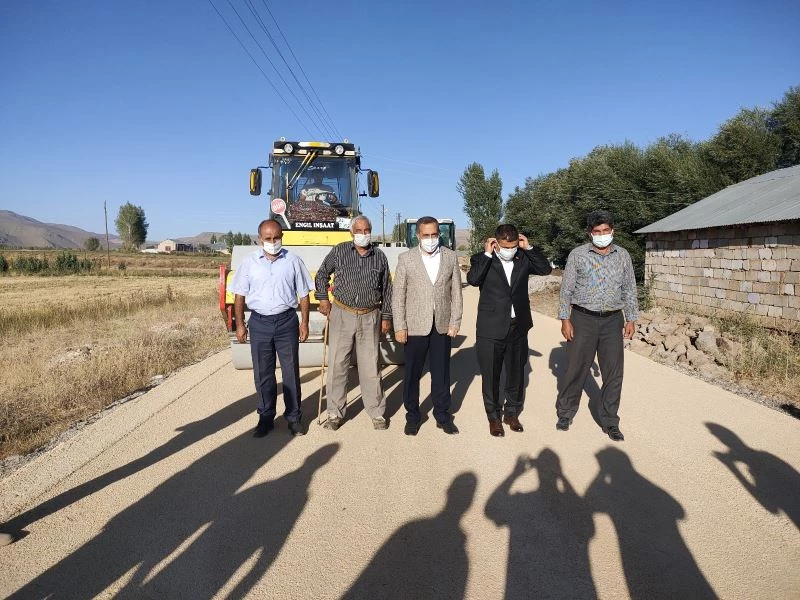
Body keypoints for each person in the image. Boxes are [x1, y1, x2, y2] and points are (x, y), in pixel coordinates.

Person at [556, 210, 638, 441]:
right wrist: (565, 319)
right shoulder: (578, 255)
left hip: (613, 320)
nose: (602, 235)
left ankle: (610, 421)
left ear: (613, 231)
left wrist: (631, 318)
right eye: (597, 231)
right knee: (576, 368)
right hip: (583, 319)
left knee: (614, 372)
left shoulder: (623, 256)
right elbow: (566, 290)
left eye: (605, 231)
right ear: (590, 233)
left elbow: (629, 288)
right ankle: (565, 412)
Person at [229, 219, 313, 437]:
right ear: (260, 239)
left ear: (282, 237)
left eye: (277, 237)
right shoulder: (249, 263)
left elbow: (304, 294)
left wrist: (304, 322)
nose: (273, 242)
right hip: (259, 323)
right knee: (263, 373)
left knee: (290, 372)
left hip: (287, 322)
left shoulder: (293, 260)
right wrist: (240, 324)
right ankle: (266, 417)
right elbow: (239, 296)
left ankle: (294, 418)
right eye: (268, 238)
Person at [467, 224, 552, 437]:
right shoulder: (482, 259)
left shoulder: (523, 258)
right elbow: (473, 279)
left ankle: (512, 413)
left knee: (516, 374)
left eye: (513, 246)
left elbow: (545, 269)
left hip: (518, 326)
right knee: (491, 376)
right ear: (495, 243)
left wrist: (528, 247)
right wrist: (487, 254)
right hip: (491, 328)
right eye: (505, 247)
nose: (510, 250)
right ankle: (494, 417)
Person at [315, 215, 393, 430]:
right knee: (338, 365)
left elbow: (387, 289)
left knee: (370, 366)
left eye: (366, 230)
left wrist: (386, 317)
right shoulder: (339, 251)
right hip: (342, 313)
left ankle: (377, 413)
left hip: (370, 315)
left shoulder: (379, 256)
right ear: (351, 233)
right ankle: (334, 413)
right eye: (358, 231)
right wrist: (323, 299)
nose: (363, 234)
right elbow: (322, 274)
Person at [392, 217, 463, 435]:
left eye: (434, 234)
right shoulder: (406, 259)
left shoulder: (450, 257)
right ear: (418, 236)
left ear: (439, 234)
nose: (430, 239)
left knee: (441, 374)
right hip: (414, 326)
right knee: (412, 374)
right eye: (426, 235)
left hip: (441, 326)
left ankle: (443, 415)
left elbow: (456, 293)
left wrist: (455, 321)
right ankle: (412, 416)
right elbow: (398, 295)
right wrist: (399, 326)